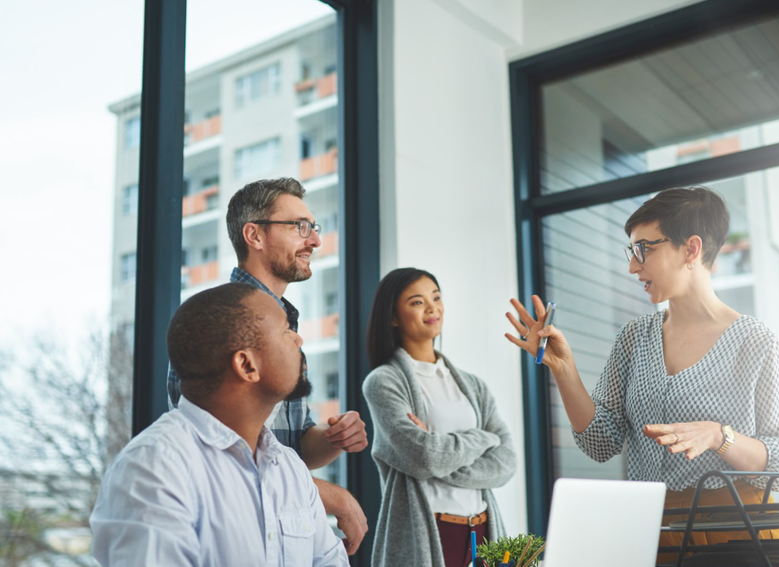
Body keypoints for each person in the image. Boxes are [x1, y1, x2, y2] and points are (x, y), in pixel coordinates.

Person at [504, 187, 779, 557]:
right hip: (651, 530)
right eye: (631, 251)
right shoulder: (634, 338)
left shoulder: (756, 342)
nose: (633, 266)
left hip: (739, 531)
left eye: (644, 249)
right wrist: (564, 369)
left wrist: (718, 436)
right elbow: (601, 443)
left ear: (691, 249)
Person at [167, 177, 369, 554]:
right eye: (300, 227)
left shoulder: (287, 326)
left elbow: (295, 446)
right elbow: (221, 454)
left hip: (285, 530)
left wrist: (332, 438)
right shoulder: (216, 322)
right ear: (254, 236)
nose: (315, 240)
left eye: (315, 228)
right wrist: (331, 496)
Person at [90, 283, 349, 566]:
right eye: (287, 331)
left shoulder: (289, 468)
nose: (299, 341)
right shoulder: (153, 470)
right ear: (247, 365)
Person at [362, 268, 517, 567]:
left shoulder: (473, 385)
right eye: (417, 302)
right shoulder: (384, 383)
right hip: (431, 531)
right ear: (393, 317)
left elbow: (506, 463)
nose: (432, 307)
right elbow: (425, 458)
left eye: (436, 297)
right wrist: (483, 439)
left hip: (483, 532)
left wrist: (438, 450)